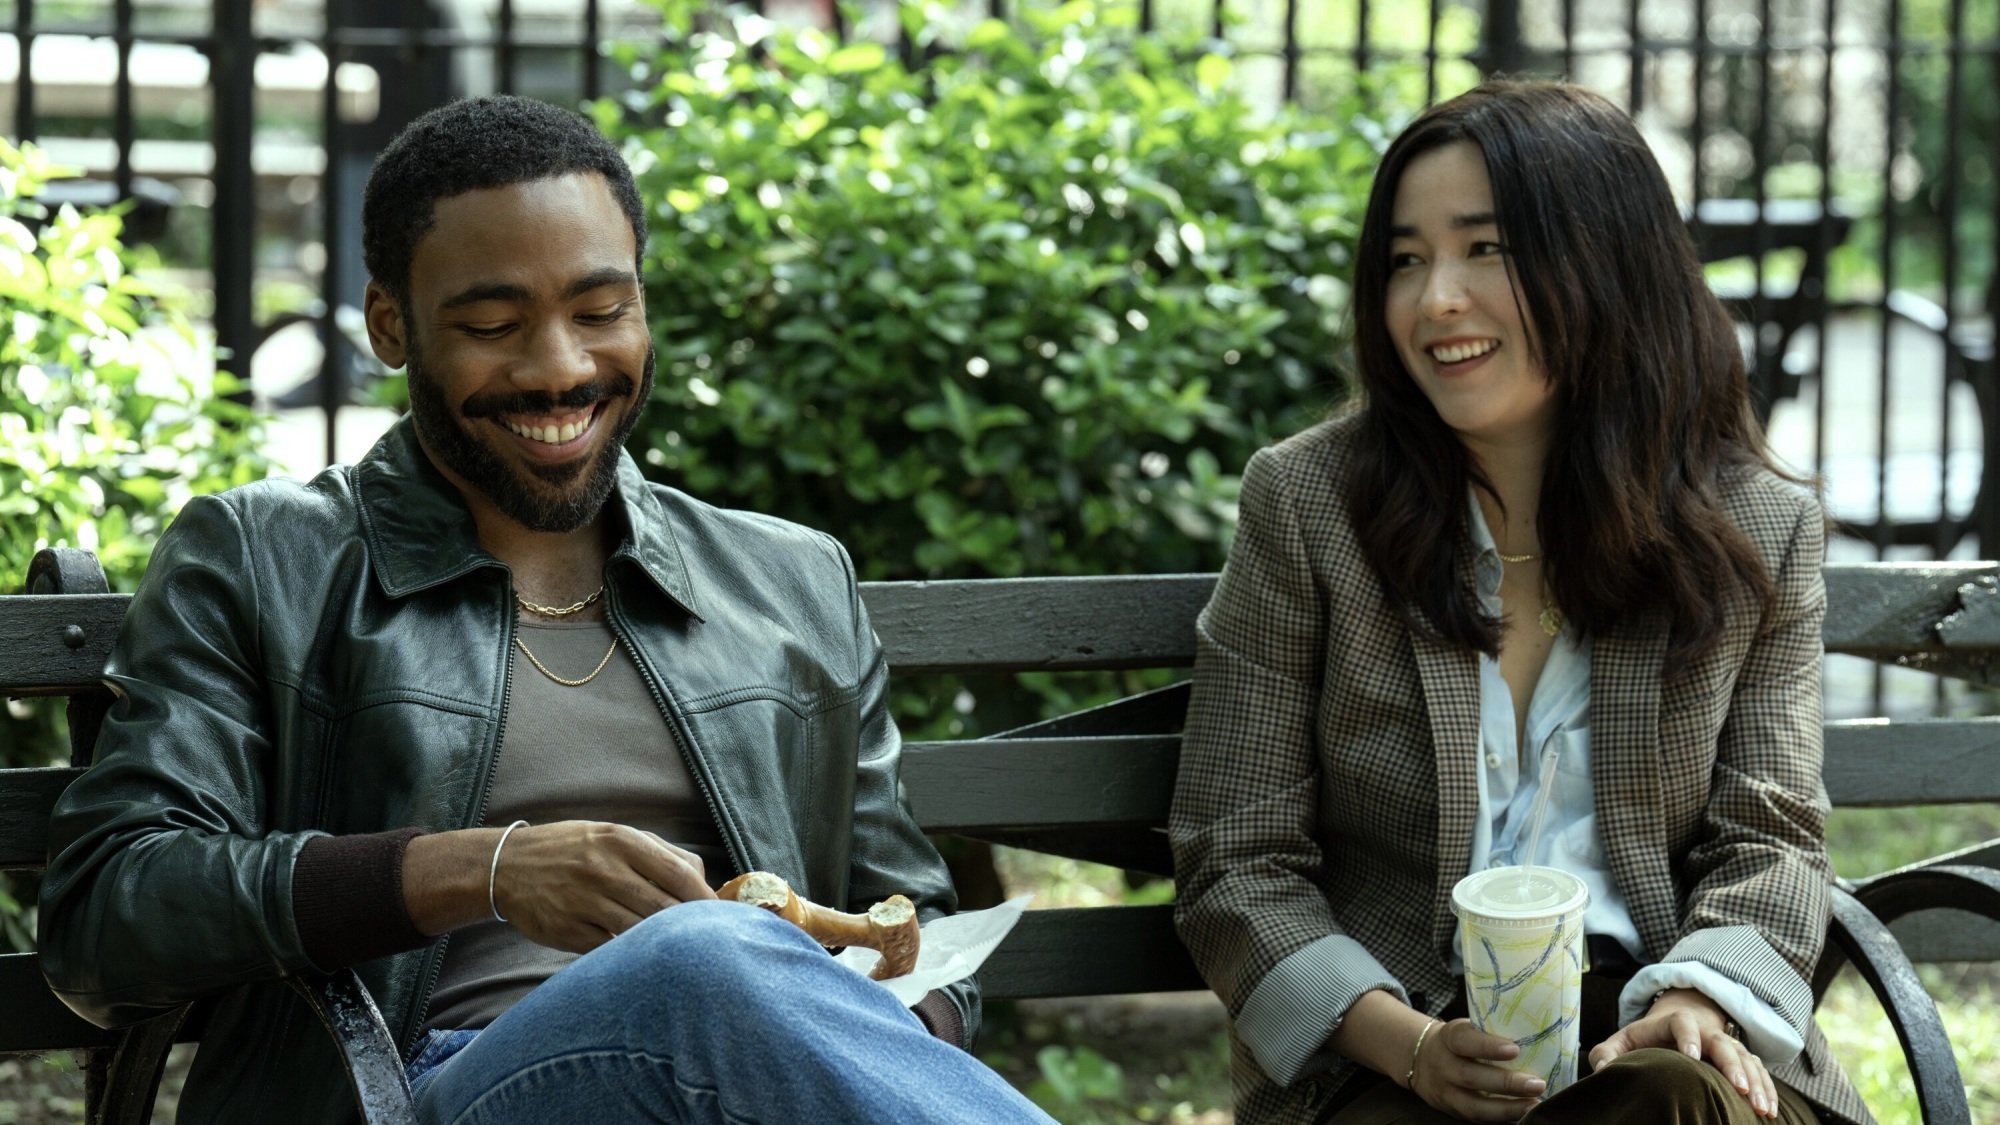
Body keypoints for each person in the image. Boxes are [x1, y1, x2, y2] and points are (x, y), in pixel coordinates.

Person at [38, 95, 1054, 1125]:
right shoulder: (263, 559)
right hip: (426, 1091)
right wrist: (477, 872)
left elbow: (910, 920)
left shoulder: (789, 580)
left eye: (602, 312)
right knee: (705, 962)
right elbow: (109, 914)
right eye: (492, 325)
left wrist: (845, 1043)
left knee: (723, 970)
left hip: (752, 1087)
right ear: (392, 326)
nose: (560, 369)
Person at [1168, 80, 1868, 1125]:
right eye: (1404, 259)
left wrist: (1693, 994)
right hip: (1391, 1036)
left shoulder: (1751, 527)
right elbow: (1236, 853)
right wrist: (1408, 1049)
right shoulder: (1309, 505)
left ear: (1606, 261)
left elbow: (1765, 835)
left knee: (1672, 1100)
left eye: (1483, 249)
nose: (1433, 298)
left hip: (1648, 1027)